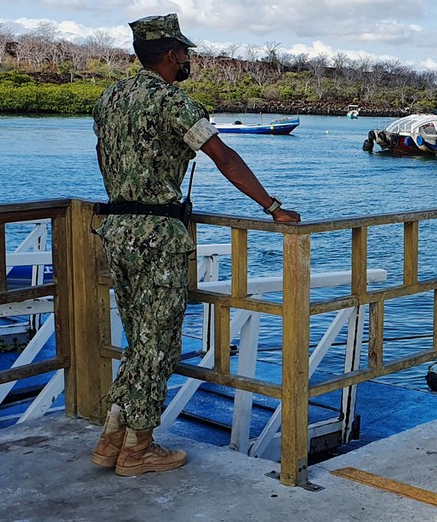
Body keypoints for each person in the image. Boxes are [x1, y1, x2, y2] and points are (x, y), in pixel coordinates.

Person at [89, 14, 300, 477]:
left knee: (139, 340)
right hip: (157, 237)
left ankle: (111, 439)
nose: (188, 60)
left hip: (116, 232)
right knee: (158, 345)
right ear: (171, 56)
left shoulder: (109, 98)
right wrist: (273, 207)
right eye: (186, 53)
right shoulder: (174, 103)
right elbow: (223, 156)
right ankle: (139, 449)